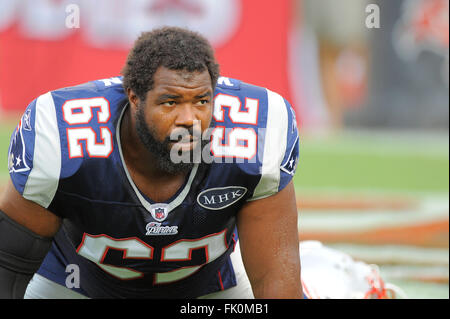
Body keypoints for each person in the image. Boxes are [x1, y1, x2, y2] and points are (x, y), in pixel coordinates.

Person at [0, 27, 302, 299]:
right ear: (134, 97)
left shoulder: (253, 137)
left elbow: (275, 281)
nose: (189, 120)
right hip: (74, 286)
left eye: (201, 101)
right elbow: (7, 267)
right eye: (170, 102)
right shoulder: (65, 138)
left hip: (208, 292)